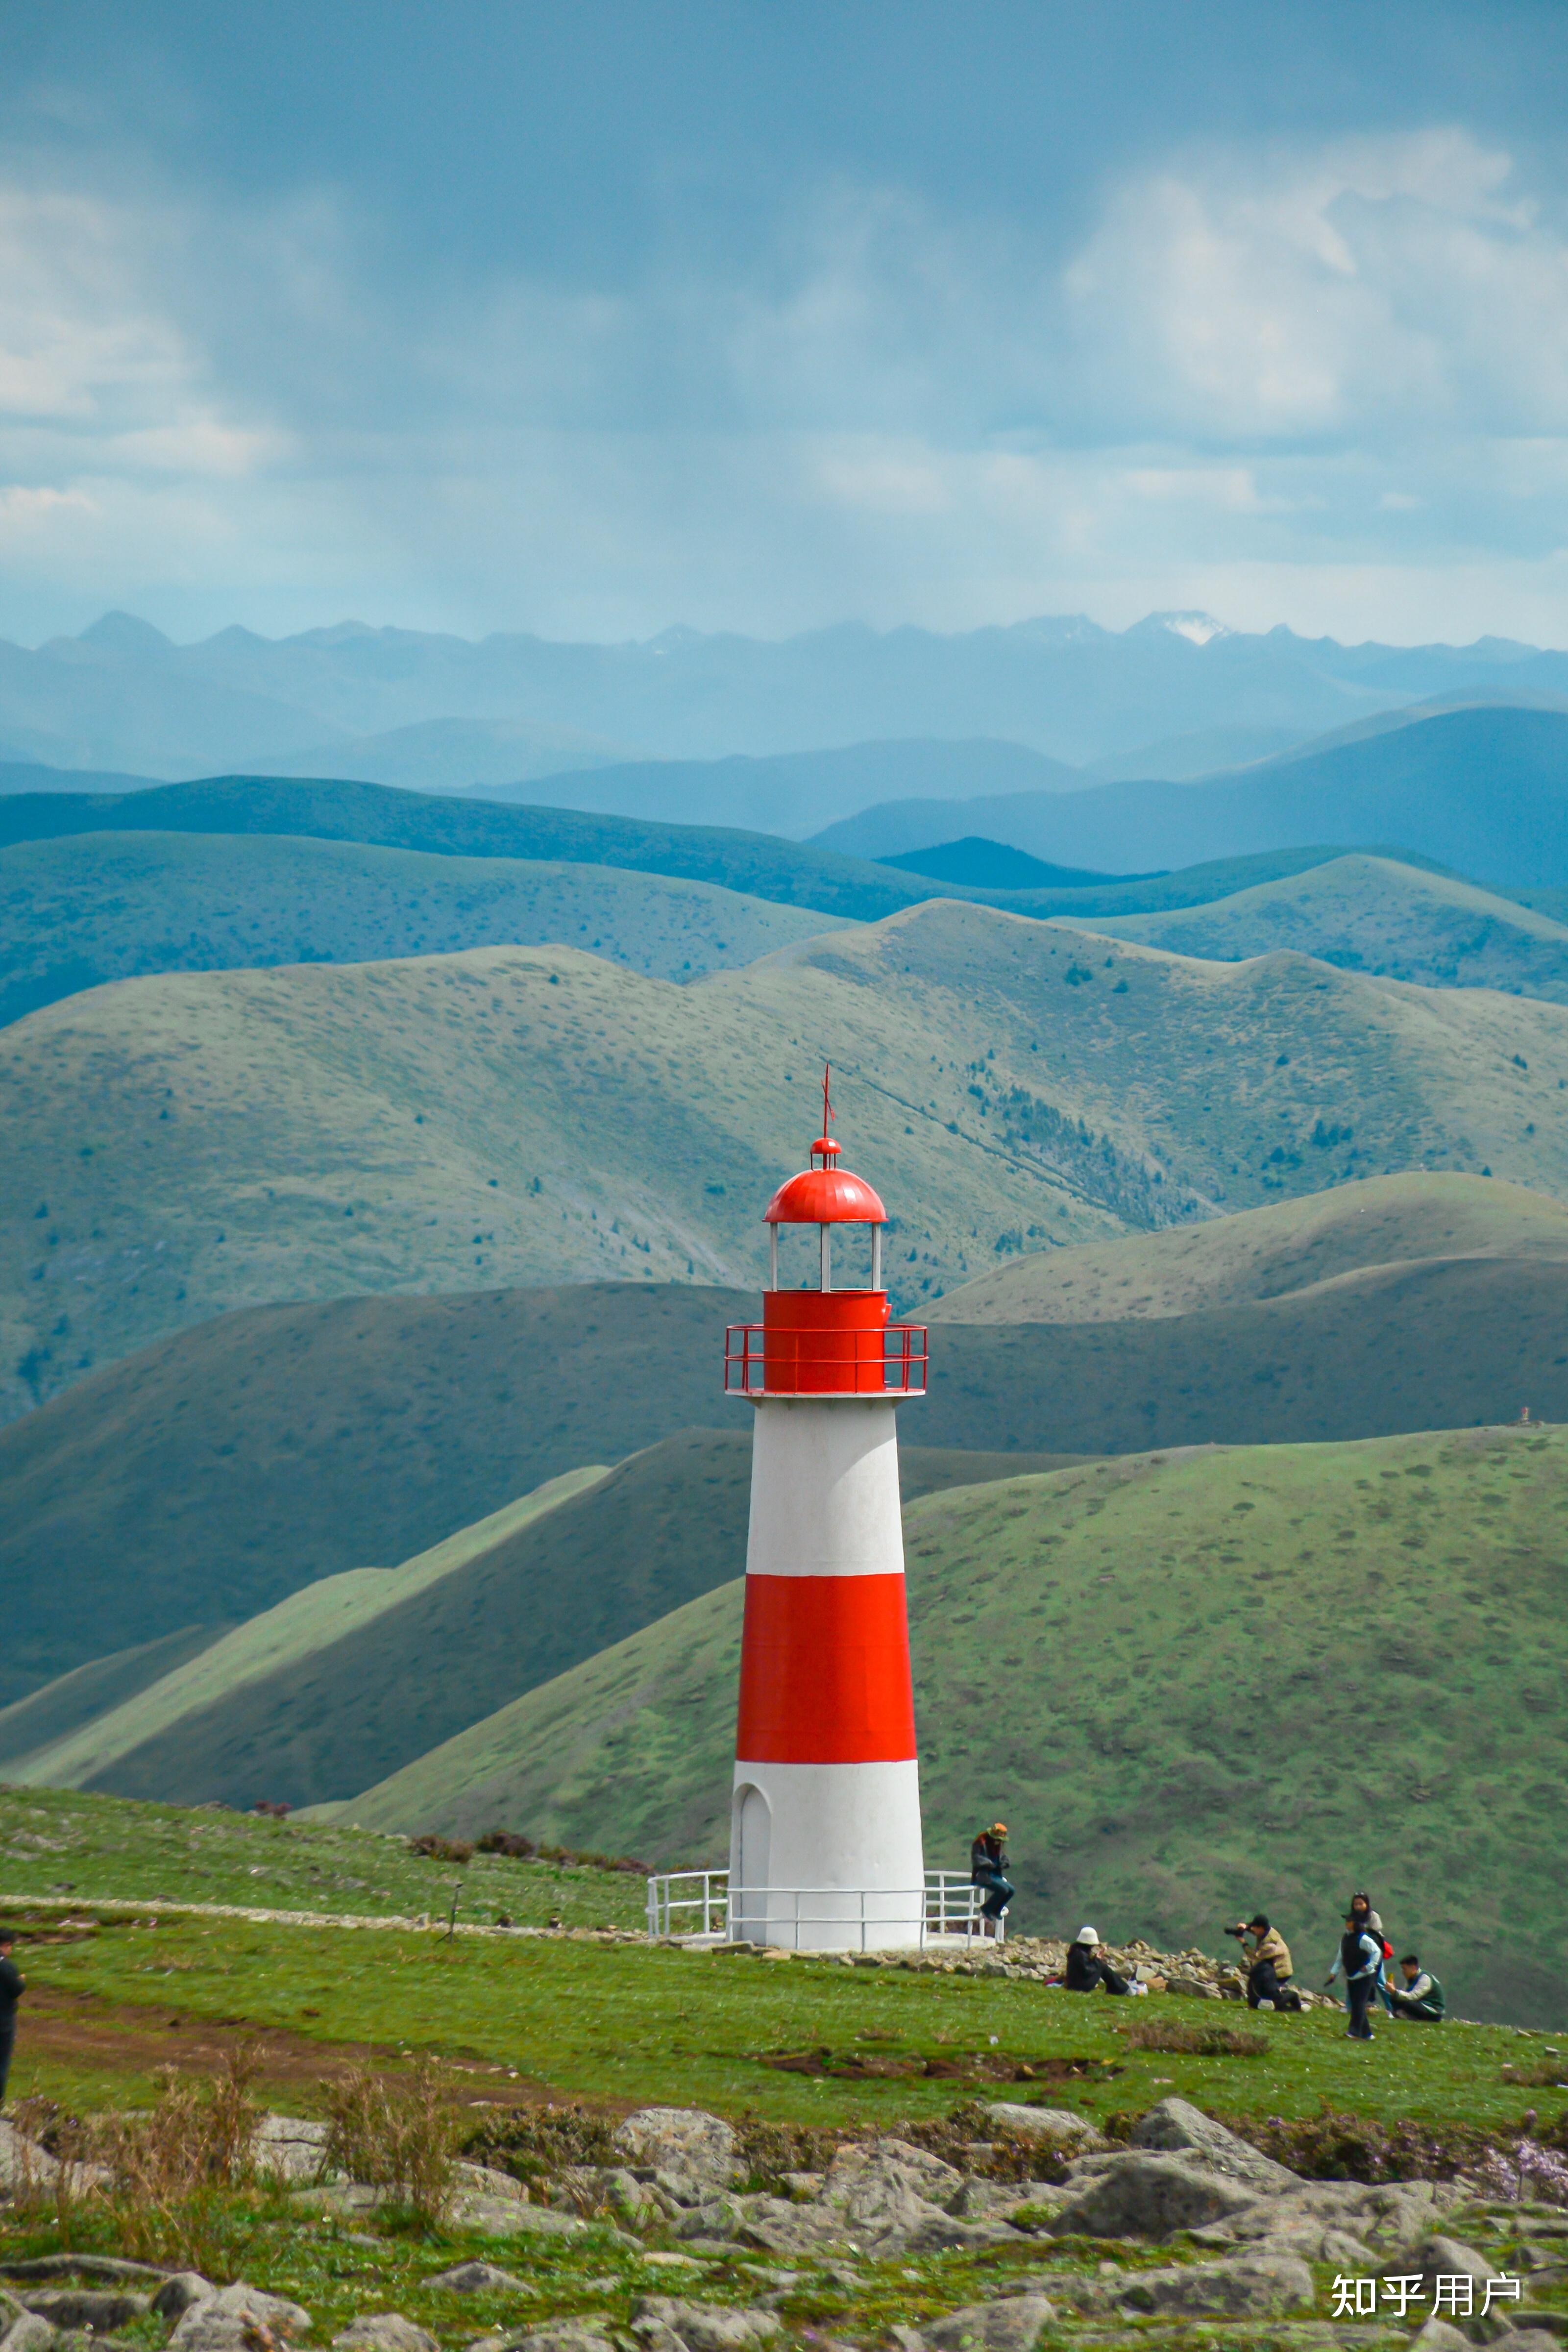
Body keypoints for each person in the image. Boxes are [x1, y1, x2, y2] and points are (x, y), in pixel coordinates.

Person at [1326, 1907, 1384, 2040]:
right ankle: (1367, 2034)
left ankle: (1354, 2032)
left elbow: (1377, 1952)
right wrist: (1334, 1972)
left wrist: (1369, 1967)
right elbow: (1341, 1956)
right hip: (1352, 1976)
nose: (1347, 1922)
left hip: (1365, 1977)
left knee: (1358, 2004)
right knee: (1357, 2004)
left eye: (1350, 1920)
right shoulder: (1346, 1937)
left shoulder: (1363, 1938)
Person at [1233, 1914, 1303, 2012]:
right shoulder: (1268, 1932)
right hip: (1272, 1970)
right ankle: (1286, 2004)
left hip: (1280, 1971)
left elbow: (1255, 1956)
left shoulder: (1269, 1945)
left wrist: (1243, 1943)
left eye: (1255, 1927)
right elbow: (1255, 1931)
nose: (1253, 1929)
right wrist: (1246, 1927)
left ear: (1261, 1928)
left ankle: (1291, 2001)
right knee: (1261, 1988)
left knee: (1271, 1995)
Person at [970, 1823, 1014, 1936]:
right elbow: (976, 1859)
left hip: (995, 1875)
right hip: (983, 1875)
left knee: (1011, 1890)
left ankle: (996, 1910)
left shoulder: (997, 1847)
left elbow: (1003, 1857)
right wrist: (988, 1864)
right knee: (1003, 1890)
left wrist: (1005, 1863)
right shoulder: (981, 1843)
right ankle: (986, 1909)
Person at [1065, 1925, 1133, 1995]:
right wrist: (1097, 1960)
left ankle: (1119, 1988)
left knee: (1102, 1966)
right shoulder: (1080, 1954)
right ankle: (1122, 1989)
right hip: (1080, 1987)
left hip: (1074, 1985)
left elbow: (1084, 1968)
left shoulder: (1076, 1951)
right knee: (1102, 1967)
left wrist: (1095, 1959)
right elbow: (1087, 1971)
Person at [0, 1933, 23, 2109]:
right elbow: (15, 1990)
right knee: (2, 2063)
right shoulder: (6, 1967)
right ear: (5, 1945)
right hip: (4, 2021)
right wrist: (21, 1981)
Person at [1388, 1954, 1446, 2021]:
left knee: (1405, 2000)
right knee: (1395, 1997)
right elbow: (1405, 1993)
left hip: (1433, 2012)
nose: (1403, 1972)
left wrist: (1395, 1992)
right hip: (1422, 2005)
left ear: (1413, 1968)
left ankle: (1408, 2016)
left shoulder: (1425, 1978)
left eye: (1405, 1969)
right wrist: (1394, 1992)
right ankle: (1399, 2014)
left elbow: (1413, 1996)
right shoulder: (1412, 1979)